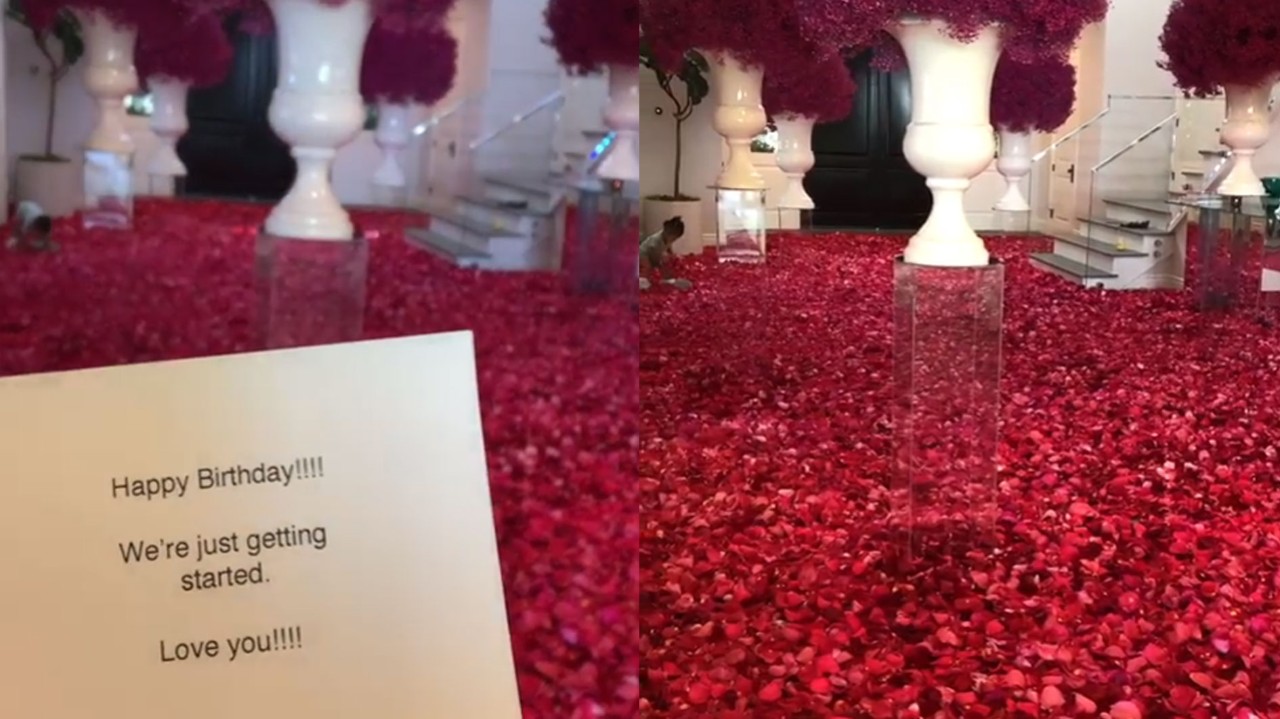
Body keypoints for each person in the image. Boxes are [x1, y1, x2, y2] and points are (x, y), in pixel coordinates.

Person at [639, 215, 692, 291]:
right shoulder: (657, 241)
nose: (673, 240)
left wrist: (671, 254)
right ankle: (642, 280)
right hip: (644, 253)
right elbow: (654, 251)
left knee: (665, 264)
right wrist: (660, 262)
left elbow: (668, 247)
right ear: (667, 233)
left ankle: (666, 279)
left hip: (653, 252)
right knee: (647, 267)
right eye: (673, 238)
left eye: (675, 239)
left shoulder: (667, 239)